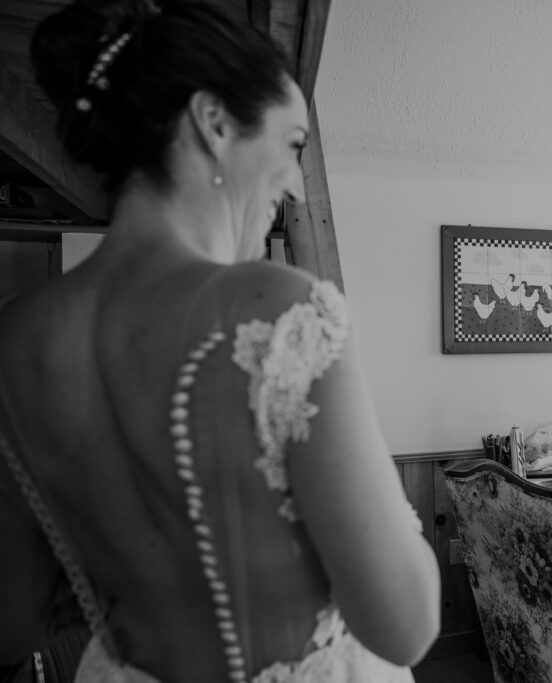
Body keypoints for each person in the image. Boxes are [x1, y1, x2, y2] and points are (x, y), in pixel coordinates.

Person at [0, 1, 440, 681]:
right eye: (293, 145)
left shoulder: (15, 336)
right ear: (213, 122)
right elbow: (403, 623)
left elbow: (13, 617)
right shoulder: (278, 309)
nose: (295, 182)